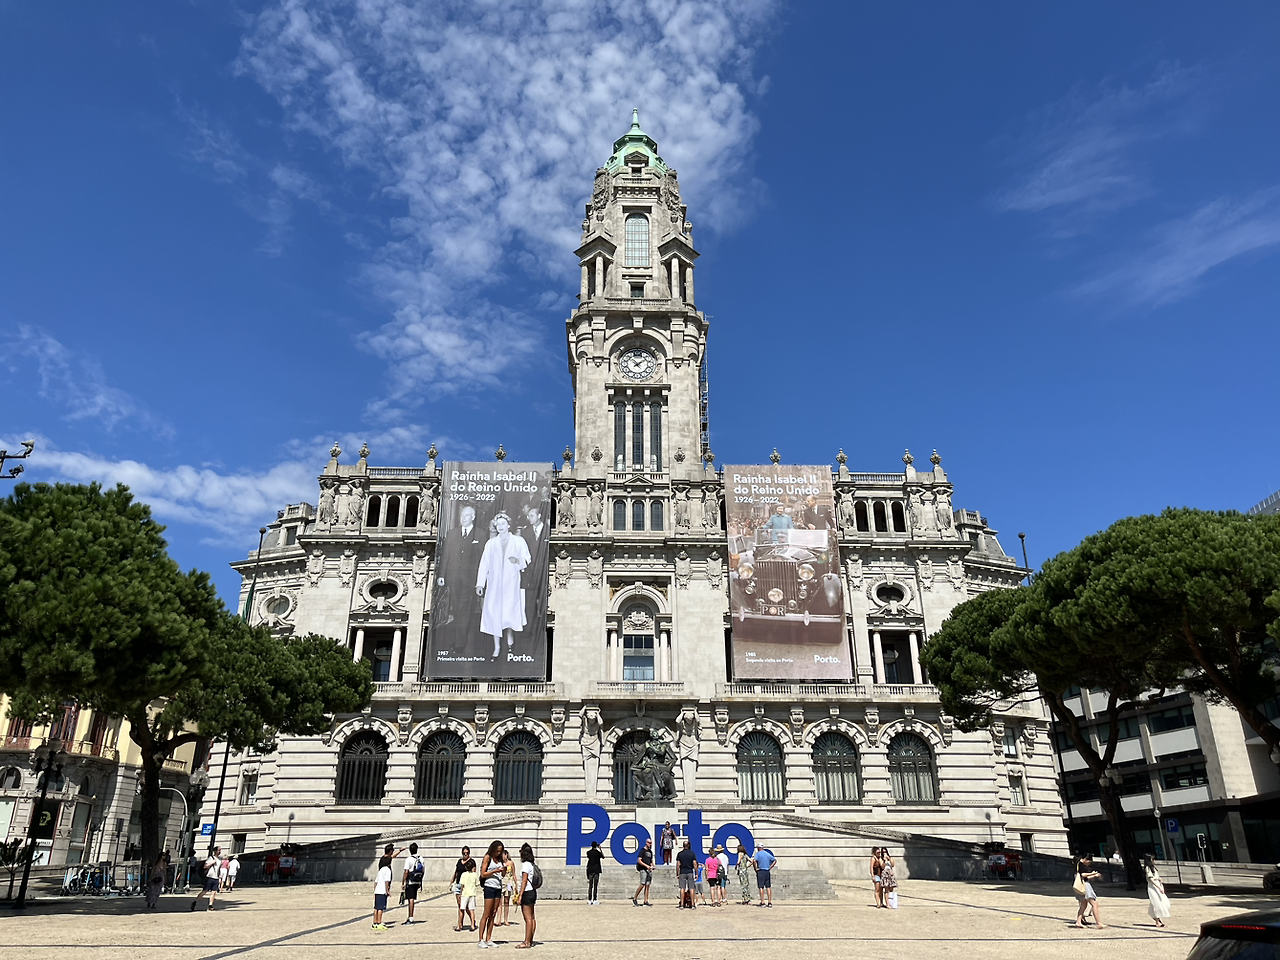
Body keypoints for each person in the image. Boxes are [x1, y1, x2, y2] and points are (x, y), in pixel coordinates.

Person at [476, 513, 531, 658]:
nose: (500, 527)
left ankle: (510, 641)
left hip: (511, 583)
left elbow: (527, 558)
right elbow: (484, 563)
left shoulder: (518, 541)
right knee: (495, 614)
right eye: (497, 524)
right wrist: (480, 583)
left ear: (508, 525)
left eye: (503, 524)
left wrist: (517, 561)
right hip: (494, 584)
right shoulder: (491, 543)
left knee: (509, 612)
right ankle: (497, 647)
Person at [478, 840, 507, 947]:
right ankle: (481, 939)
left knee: (493, 913)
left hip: (498, 886)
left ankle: (489, 938)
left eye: (500, 851)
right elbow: (483, 874)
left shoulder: (500, 860)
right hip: (489, 886)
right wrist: (494, 871)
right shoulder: (487, 857)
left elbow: (503, 875)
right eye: (497, 851)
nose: (499, 853)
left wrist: (504, 869)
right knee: (486, 913)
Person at [515, 842, 538, 949]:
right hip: (532, 891)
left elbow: (524, 881)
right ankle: (530, 939)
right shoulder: (532, 864)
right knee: (532, 918)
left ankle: (527, 941)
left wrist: (520, 895)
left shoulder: (525, 865)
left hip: (527, 892)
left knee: (527, 918)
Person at [1074, 854, 1106, 929]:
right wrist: (1093, 873)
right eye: (1089, 861)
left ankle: (1078, 922)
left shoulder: (1078, 864)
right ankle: (1098, 923)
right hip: (1085, 886)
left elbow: (1084, 877)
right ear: (1085, 859)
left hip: (1082, 885)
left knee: (1083, 905)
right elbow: (1083, 875)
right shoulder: (1081, 864)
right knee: (1094, 904)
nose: (1089, 863)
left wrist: (1094, 876)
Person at [191, 847, 222, 911]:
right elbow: (205, 866)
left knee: (214, 892)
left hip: (216, 877)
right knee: (205, 891)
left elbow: (219, 869)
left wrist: (220, 876)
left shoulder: (219, 860)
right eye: (218, 850)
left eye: (220, 850)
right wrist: (212, 863)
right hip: (210, 877)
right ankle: (195, 901)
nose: (220, 851)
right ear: (215, 851)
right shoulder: (211, 858)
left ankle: (210, 905)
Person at [1143, 854, 1170, 928]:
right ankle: (1158, 921)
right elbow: (1151, 879)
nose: (1154, 861)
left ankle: (1157, 919)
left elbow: (1156, 877)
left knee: (1163, 902)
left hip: (1157, 884)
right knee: (1156, 903)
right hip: (1153, 886)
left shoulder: (1153, 868)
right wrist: (1159, 887)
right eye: (1152, 859)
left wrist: (1159, 879)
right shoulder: (1148, 868)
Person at [402, 842, 425, 925]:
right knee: (413, 898)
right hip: (417, 880)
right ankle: (410, 917)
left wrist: (403, 882)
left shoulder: (409, 859)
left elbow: (406, 872)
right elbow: (423, 870)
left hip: (411, 881)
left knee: (410, 899)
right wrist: (420, 881)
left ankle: (410, 918)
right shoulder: (421, 858)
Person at [453, 845, 477, 926]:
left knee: (466, 907)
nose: (465, 854)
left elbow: (473, 874)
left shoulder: (472, 862)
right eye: (464, 853)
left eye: (467, 853)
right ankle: (460, 924)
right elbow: (456, 872)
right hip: (458, 884)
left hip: (466, 886)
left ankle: (472, 921)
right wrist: (452, 881)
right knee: (460, 906)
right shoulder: (459, 861)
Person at [371, 853, 394, 931]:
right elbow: (387, 881)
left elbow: (376, 882)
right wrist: (387, 891)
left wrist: (375, 891)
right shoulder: (387, 870)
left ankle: (375, 922)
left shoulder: (380, 870)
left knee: (376, 908)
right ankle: (379, 922)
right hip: (382, 891)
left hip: (377, 890)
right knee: (381, 908)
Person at [675, 839, 698, 909]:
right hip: (690, 871)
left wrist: (677, 873)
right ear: (689, 846)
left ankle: (682, 904)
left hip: (682, 872)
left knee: (682, 888)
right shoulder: (692, 854)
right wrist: (696, 873)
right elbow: (695, 864)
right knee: (691, 888)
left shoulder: (680, 854)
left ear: (683, 846)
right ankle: (693, 904)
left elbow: (678, 865)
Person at [633, 837, 655, 906]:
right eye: (649, 843)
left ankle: (646, 900)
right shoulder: (642, 851)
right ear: (646, 843)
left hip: (649, 870)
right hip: (643, 869)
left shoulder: (650, 852)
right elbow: (639, 860)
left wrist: (652, 865)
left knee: (648, 885)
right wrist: (646, 866)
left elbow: (651, 861)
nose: (650, 844)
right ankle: (635, 898)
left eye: (651, 843)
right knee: (642, 884)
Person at [459, 860, 479, 932]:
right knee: (472, 910)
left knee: (462, 909)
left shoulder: (464, 874)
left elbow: (462, 885)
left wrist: (460, 893)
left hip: (465, 893)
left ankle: (459, 925)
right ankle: (472, 925)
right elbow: (477, 884)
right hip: (472, 893)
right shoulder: (475, 875)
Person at [500, 850, 516, 926]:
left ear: (506, 855)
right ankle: (498, 919)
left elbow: (514, 874)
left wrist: (516, 884)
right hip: (502, 882)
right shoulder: (500, 863)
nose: (503, 856)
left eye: (504, 855)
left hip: (509, 883)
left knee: (506, 901)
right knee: (499, 902)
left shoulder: (511, 863)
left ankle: (506, 919)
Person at [586, 840, 604, 905]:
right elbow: (603, 856)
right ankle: (595, 899)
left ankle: (589, 899)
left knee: (590, 885)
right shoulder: (598, 853)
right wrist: (600, 849)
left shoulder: (588, 852)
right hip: (596, 870)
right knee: (595, 886)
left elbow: (589, 857)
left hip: (590, 869)